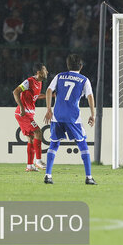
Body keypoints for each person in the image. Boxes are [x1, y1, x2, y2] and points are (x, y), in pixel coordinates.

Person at [43, 54, 96, 185]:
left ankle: (48, 175)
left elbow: (49, 90)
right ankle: (88, 177)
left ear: (67, 66)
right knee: (82, 143)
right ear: (81, 66)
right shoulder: (84, 80)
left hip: (57, 115)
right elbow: (90, 97)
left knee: (54, 144)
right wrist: (93, 114)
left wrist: (49, 109)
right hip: (73, 117)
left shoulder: (59, 76)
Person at [13, 62, 48, 172]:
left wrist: (51, 95)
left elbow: (36, 96)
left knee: (31, 139)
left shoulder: (39, 83)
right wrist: (22, 107)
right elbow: (15, 92)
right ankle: (38, 160)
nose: (47, 72)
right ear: (38, 72)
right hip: (23, 113)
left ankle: (29, 166)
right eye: (44, 70)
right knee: (38, 132)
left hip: (28, 113)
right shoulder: (29, 81)